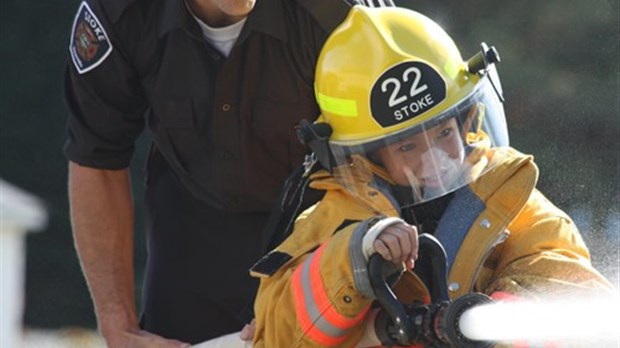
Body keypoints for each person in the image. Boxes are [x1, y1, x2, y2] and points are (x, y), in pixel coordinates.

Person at [250, 6, 614, 347]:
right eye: (407, 148)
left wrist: (498, 315)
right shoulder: (333, 221)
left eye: (443, 133)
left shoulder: (509, 197)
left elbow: (567, 280)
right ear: (368, 157)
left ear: (467, 120)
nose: (435, 158)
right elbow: (276, 329)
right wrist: (353, 258)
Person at [62, 0, 394, 345]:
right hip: (190, 245)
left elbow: (408, 150)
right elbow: (97, 158)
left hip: (325, 244)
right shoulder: (116, 13)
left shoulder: (346, 12)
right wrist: (119, 326)